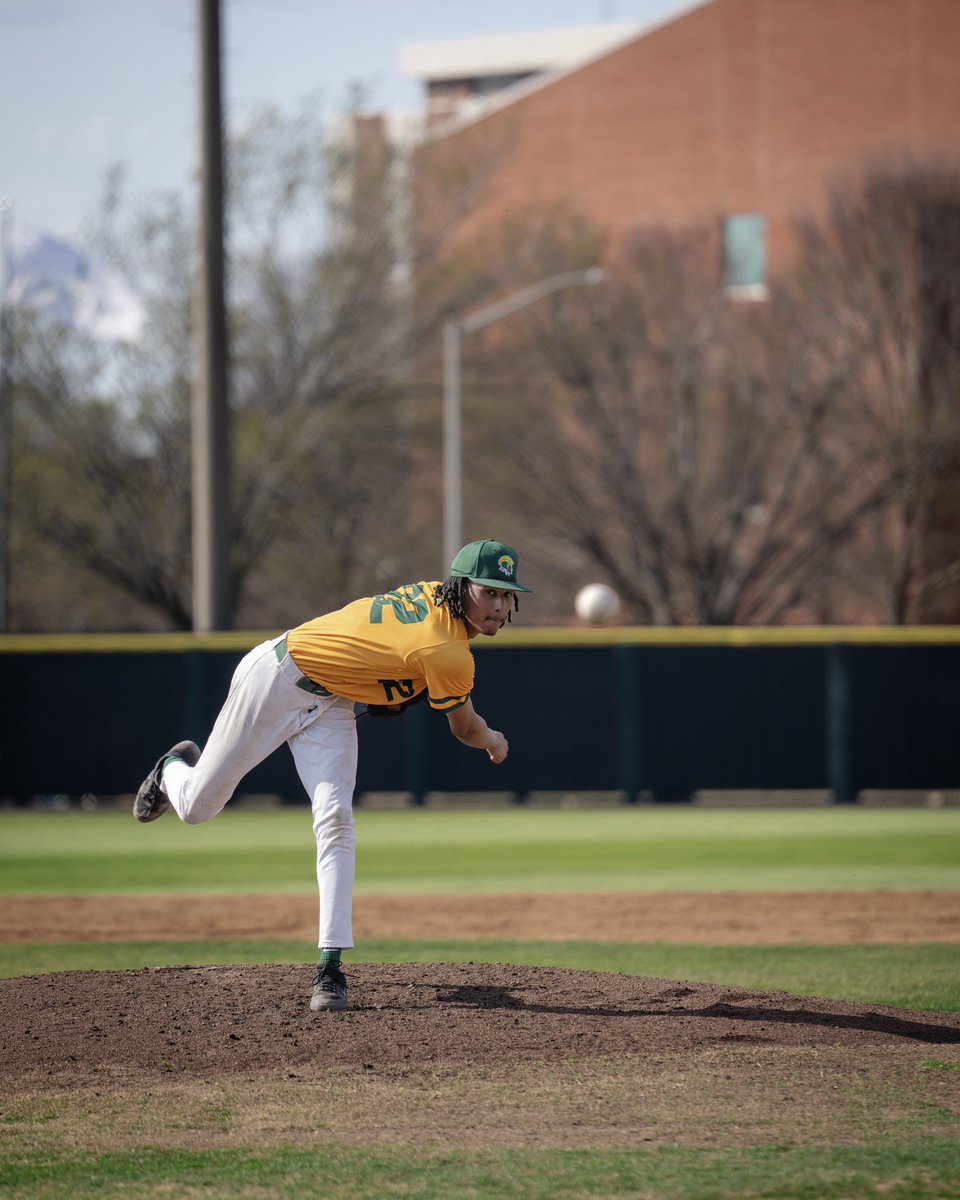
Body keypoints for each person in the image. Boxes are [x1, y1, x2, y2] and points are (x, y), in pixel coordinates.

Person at [134, 538, 531, 1013]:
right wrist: (495, 741)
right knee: (198, 808)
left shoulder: (434, 598)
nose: (499, 605)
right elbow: (465, 728)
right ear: (461, 587)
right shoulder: (449, 652)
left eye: (507, 596)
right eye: (489, 592)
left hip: (334, 704)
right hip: (278, 679)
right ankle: (172, 769)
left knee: (336, 819)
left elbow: (385, 647)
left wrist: (387, 684)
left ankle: (330, 967)